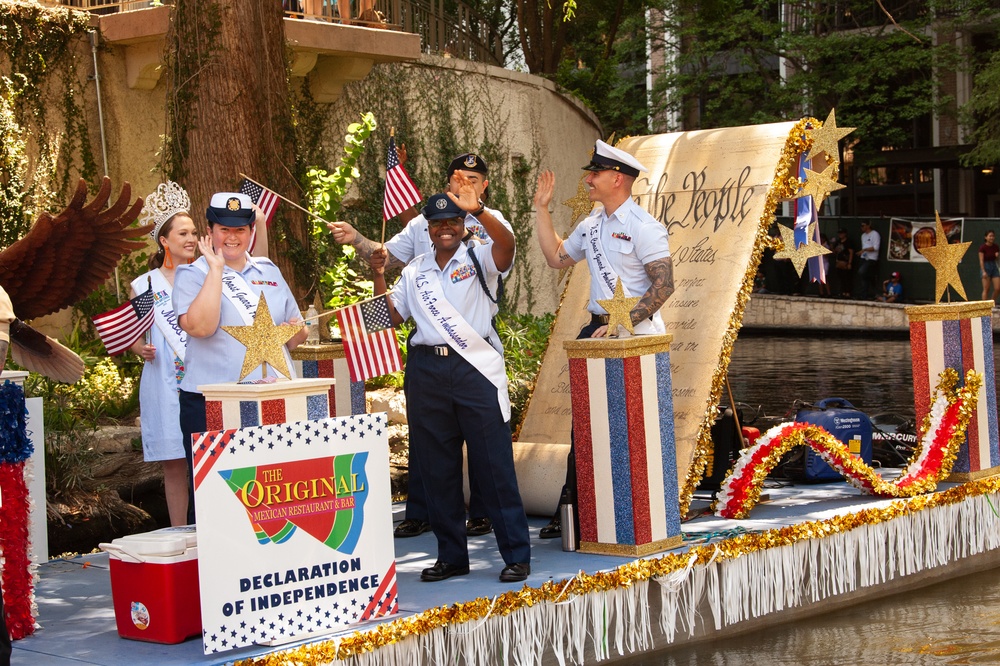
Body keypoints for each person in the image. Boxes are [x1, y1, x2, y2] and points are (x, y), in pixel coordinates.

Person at [329, 152, 510, 539]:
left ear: (485, 185)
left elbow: (507, 247)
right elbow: (387, 260)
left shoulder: (490, 225)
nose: (466, 184)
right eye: (459, 177)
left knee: (484, 440)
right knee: (429, 441)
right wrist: (357, 239)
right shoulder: (423, 229)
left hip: (474, 348)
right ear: (447, 182)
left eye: (474, 178)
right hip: (428, 353)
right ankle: (426, 513)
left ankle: (484, 511)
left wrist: (475, 210)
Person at [370, 186, 531, 583]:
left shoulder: (479, 256)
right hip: (427, 372)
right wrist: (377, 276)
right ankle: (451, 556)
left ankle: (515, 554)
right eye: (437, 222)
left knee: (492, 465)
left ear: (462, 226)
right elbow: (387, 320)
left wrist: (478, 208)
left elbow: (508, 244)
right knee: (437, 467)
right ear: (427, 228)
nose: (445, 228)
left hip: (473, 369)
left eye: (452, 222)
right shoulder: (414, 271)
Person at [533, 140, 674, 539]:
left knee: (634, 427)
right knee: (586, 426)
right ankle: (573, 512)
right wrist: (541, 210)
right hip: (596, 331)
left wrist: (622, 321)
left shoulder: (645, 227)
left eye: (594, 174)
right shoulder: (591, 225)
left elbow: (664, 285)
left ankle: (638, 515)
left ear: (618, 179)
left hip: (636, 337)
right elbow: (557, 258)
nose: (588, 179)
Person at [173, 192, 307, 524]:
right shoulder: (192, 275)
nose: (232, 238)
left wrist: (295, 330)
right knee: (214, 500)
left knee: (269, 493)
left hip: (266, 399)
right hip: (211, 404)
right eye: (223, 229)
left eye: (241, 230)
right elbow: (201, 327)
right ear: (210, 231)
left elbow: (297, 335)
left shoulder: (269, 270)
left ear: (251, 232)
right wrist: (216, 271)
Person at [129, 182, 197, 527]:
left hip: (201, 380)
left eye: (194, 233)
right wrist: (139, 348)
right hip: (164, 381)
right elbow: (133, 335)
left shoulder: (206, 277)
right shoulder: (145, 285)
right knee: (174, 462)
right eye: (182, 233)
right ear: (164, 240)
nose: (191, 239)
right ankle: (178, 531)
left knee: (204, 458)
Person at [857, 221, 880, 300]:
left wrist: (864, 250)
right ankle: (864, 295)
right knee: (863, 277)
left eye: (863, 225)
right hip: (863, 258)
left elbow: (876, 247)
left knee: (862, 272)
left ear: (868, 225)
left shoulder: (875, 234)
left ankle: (873, 292)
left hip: (871, 258)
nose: (862, 227)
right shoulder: (863, 236)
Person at [832, 228, 854, 298]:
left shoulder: (848, 242)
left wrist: (849, 263)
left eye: (841, 233)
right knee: (841, 278)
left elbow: (851, 252)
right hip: (839, 262)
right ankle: (842, 292)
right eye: (839, 233)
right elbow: (834, 251)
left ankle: (847, 293)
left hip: (845, 262)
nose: (840, 235)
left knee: (846, 278)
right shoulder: (838, 242)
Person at [980, 230, 1000, 303]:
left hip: (994, 266)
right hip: (986, 266)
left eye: (993, 236)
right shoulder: (983, 247)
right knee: (986, 288)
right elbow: (981, 260)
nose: (992, 238)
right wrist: (983, 271)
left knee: (998, 288)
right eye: (990, 236)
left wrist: (997, 256)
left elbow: (997, 259)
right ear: (986, 237)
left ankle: (991, 303)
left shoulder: (996, 246)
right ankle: (984, 307)